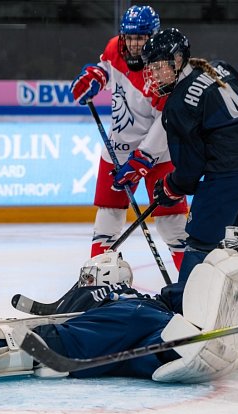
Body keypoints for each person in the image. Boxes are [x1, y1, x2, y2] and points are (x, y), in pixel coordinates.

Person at [0, 234, 238, 382]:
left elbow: (53, 315)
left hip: (121, 323)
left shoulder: (97, 294)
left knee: (65, 343)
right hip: (156, 323)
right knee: (143, 358)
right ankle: (180, 349)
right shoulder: (134, 293)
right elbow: (183, 292)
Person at [140, 28, 238, 314]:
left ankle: (186, 314)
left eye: (159, 66)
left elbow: (190, 170)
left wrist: (170, 186)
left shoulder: (178, 104)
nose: (154, 74)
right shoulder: (216, 66)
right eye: (151, 68)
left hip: (233, 174)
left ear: (178, 59)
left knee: (200, 243)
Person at [70, 5, 188, 269]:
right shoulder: (115, 47)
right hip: (119, 148)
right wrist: (96, 77)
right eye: (130, 37)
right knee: (107, 219)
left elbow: (167, 119)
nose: (134, 44)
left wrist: (144, 157)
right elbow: (106, 68)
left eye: (141, 37)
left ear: (153, 36)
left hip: (160, 155)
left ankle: (191, 280)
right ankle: (97, 276)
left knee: (172, 224)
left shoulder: (165, 67)